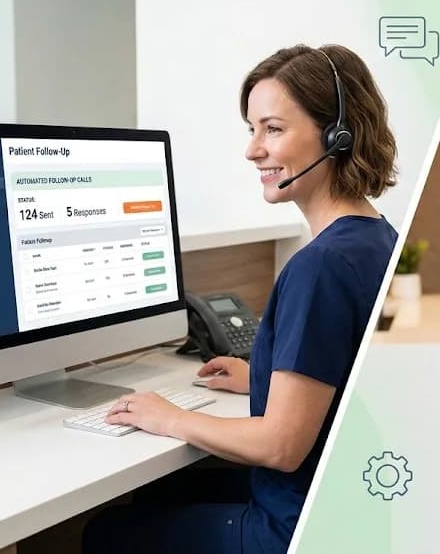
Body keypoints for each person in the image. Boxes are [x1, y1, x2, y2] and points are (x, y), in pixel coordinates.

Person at [83, 44, 399, 554]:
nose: (253, 150)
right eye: (252, 130)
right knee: (163, 491)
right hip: (337, 506)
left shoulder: (320, 265)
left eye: (272, 129)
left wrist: (170, 417)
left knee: (107, 531)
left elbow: (281, 446)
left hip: (290, 529)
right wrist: (257, 376)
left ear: (337, 134)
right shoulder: (376, 236)